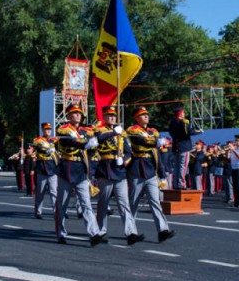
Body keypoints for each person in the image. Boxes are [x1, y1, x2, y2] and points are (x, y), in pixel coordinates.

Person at [95, 106, 144, 245]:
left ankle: (131, 233)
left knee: (124, 204)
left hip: (119, 170)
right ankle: (101, 230)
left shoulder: (122, 132)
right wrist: (112, 133)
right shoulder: (100, 129)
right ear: (104, 117)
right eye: (109, 116)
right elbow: (99, 139)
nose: (112, 118)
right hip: (105, 169)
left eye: (114, 116)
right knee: (103, 203)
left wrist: (124, 160)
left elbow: (129, 151)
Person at [55, 104, 103, 247]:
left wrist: (104, 133)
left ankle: (93, 233)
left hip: (81, 170)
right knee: (62, 205)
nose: (77, 115)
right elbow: (70, 140)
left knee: (86, 204)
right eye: (74, 113)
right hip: (67, 170)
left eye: (79, 113)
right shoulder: (63, 129)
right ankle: (61, 233)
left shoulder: (84, 130)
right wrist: (85, 144)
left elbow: (98, 135)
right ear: (68, 116)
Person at [126, 106, 175, 243]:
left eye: (147, 114)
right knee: (133, 203)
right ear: (136, 118)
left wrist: (162, 172)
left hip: (150, 169)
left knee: (155, 202)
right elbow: (140, 141)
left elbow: (156, 152)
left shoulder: (154, 131)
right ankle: (131, 232)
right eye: (142, 115)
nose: (146, 116)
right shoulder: (132, 130)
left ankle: (162, 230)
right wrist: (154, 142)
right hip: (137, 168)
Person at [168, 106, 203, 189]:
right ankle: (181, 184)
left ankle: (176, 184)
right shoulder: (183, 122)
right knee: (183, 166)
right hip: (184, 147)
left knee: (176, 166)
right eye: (183, 113)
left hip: (175, 147)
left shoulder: (172, 123)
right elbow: (189, 132)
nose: (184, 114)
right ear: (180, 114)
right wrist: (199, 131)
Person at [32, 122, 58, 219]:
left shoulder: (53, 140)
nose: (48, 131)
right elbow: (39, 149)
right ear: (42, 130)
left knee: (54, 192)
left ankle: (56, 212)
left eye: (49, 129)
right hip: (42, 169)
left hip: (52, 169)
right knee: (40, 192)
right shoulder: (38, 140)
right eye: (46, 129)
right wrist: (47, 150)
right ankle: (38, 211)